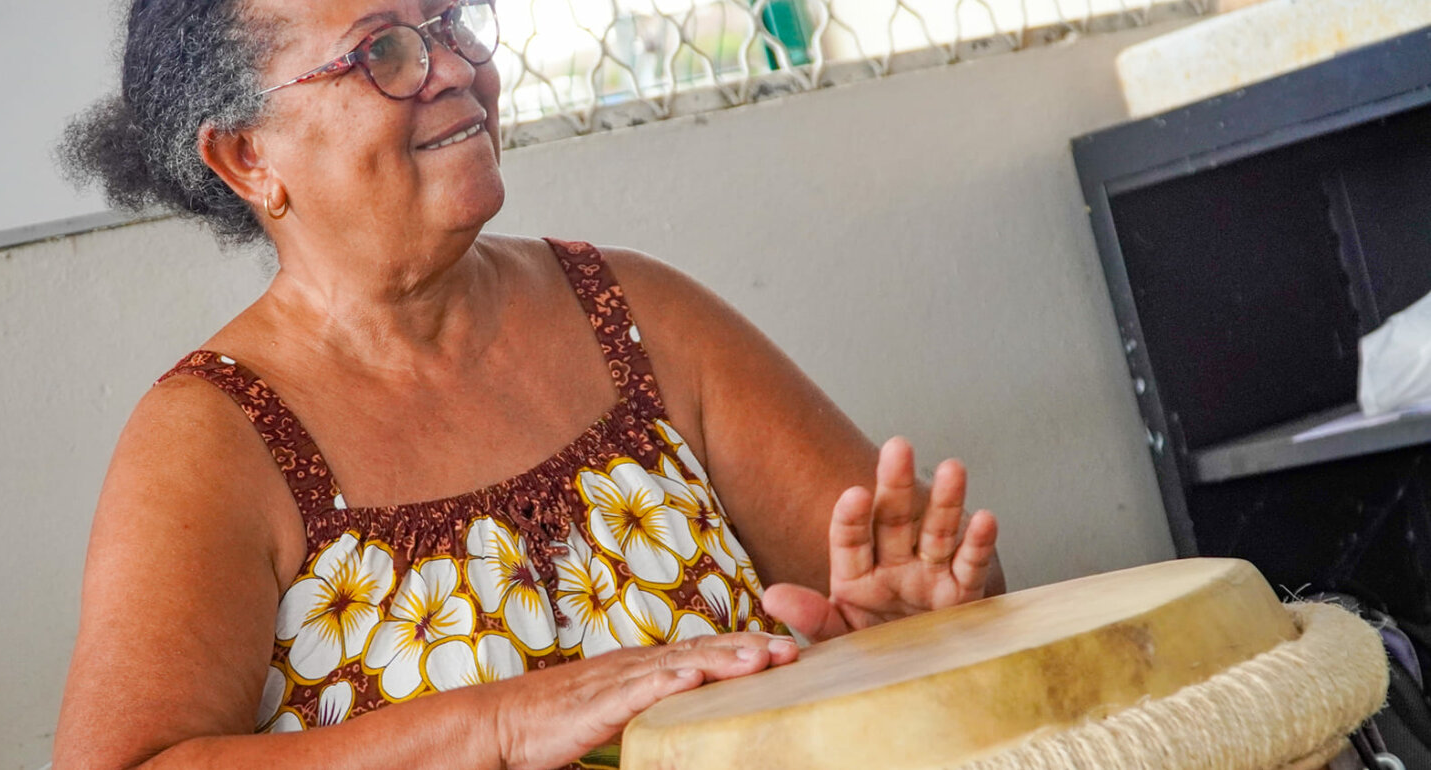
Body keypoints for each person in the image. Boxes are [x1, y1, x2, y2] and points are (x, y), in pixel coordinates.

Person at [50, 0, 1004, 766]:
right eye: (383, 51)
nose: (453, 68)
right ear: (247, 156)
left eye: (451, 22)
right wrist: (499, 726)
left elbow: (903, 601)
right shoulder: (213, 441)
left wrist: (907, 638)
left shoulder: (640, 319)